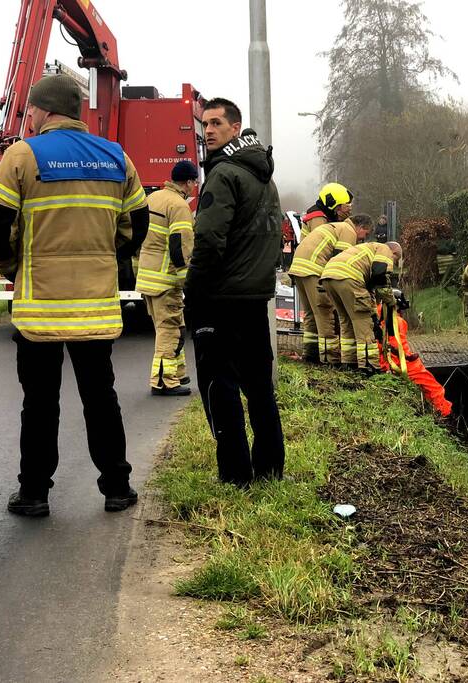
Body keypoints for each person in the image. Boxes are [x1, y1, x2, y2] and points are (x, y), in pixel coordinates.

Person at [0, 74, 149, 517]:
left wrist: (12, 265)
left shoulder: (22, 155)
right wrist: (109, 257)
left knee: (39, 404)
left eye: (31, 111)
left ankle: (34, 493)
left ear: (43, 110)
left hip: (40, 310)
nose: (29, 118)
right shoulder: (116, 157)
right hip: (94, 307)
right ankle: (117, 487)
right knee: (101, 398)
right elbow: (138, 222)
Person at [184, 98, 285, 488]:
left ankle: (235, 476)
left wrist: (195, 290)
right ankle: (270, 470)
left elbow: (208, 238)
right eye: (204, 124)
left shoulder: (225, 174)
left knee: (218, 384)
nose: (207, 131)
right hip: (255, 298)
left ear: (235, 127)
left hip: (221, 298)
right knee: (260, 387)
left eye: (215, 123)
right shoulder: (263, 174)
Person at [136, 159, 198, 397]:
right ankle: (163, 381)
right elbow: (179, 246)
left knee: (174, 327)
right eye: (194, 182)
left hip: (148, 278)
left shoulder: (152, 199)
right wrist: (186, 283)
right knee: (170, 330)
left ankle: (178, 372)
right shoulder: (179, 206)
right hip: (166, 279)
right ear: (188, 182)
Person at [288, 214, 372, 363]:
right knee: (324, 313)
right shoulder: (348, 231)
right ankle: (329, 359)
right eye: (366, 234)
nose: (362, 240)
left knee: (310, 314)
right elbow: (342, 262)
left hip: (298, 268)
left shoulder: (336, 227)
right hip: (313, 269)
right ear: (360, 227)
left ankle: (311, 354)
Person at [320, 241, 403, 373]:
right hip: (349, 277)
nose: (392, 262)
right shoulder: (385, 249)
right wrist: (391, 301)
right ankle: (369, 366)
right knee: (362, 323)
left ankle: (349, 362)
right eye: (395, 259)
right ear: (394, 253)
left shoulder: (365, 250)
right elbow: (380, 277)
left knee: (346, 321)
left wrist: (374, 312)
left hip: (328, 277)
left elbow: (370, 288)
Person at [375, 300, 452, 418]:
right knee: (435, 389)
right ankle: (444, 415)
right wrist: (410, 357)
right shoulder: (397, 322)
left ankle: (433, 410)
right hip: (400, 363)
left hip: (384, 361)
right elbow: (397, 347)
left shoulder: (377, 318)